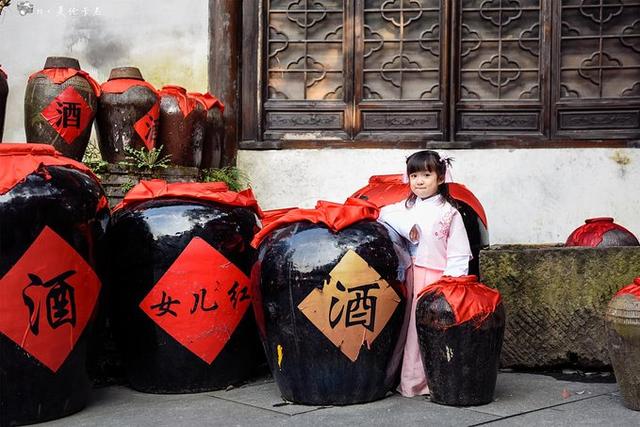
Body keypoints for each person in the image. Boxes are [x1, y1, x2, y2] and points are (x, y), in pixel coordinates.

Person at [378, 150, 472, 397]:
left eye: (426, 175)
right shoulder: (403, 208)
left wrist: (450, 284)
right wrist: (409, 228)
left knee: (426, 330)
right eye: (414, 175)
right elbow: (383, 214)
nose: (419, 181)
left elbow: (459, 253)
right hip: (409, 274)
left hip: (437, 277)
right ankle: (405, 379)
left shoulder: (450, 213)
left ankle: (428, 380)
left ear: (440, 178)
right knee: (405, 331)